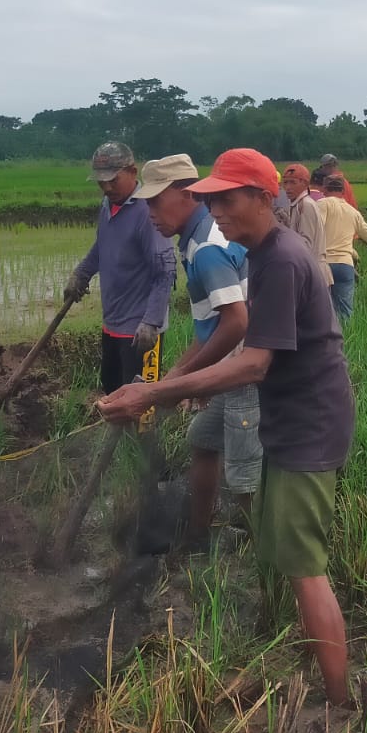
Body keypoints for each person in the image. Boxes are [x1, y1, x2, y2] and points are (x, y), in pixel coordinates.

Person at [96, 149, 355, 706]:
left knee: (307, 567)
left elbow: (254, 359)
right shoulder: (260, 253)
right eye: (211, 198)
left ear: (264, 198)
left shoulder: (281, 258)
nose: (218, 209)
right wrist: (173, 385)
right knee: (278, 543)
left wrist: (159, 388)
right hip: (291, 416)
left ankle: (340, 705)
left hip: (308, 424)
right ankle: (297, 651)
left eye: (228, 198)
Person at [136, 154, 263, 540]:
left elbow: (237, 322)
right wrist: (178, 374)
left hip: (245, 371)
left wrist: (187, 380)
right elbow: (212, 326)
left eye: (156, 201)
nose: (150, 213)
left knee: (243, 479)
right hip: (233, 366)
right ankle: (199, 532)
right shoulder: (198, 238)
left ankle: (272, 560)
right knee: (202, 438)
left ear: (185, 193)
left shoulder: (206, 248)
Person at [63, 142, 177, 395]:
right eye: (101, 182)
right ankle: (117, 435)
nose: (106, 188)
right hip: (112, 322)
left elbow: (165, 271)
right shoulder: (107, 206)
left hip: (140, 330)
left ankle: (144, 437)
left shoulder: (148, 212)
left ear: (133, 172)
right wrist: (81, 274)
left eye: (113, 180)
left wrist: (151, 322)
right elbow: (102, 246)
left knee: (140, 401)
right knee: (112, 390)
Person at [317, 175, 367, 323]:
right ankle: (346, 341)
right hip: (345, 265)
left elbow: (317, 229)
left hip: (323, 265)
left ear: (324, 189)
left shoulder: (322, 204)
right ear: (343, 191)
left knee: (321, 311)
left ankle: (325, 343)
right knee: (344, 312)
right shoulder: (353, 212)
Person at [278, 162, 330, 280]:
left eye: (293, 182)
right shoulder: (296, 205)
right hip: (307, 272)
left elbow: (305, 244)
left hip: (314, 274)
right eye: (286, 182)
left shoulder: (306, 206)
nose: (288, 187)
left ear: (305, 184)